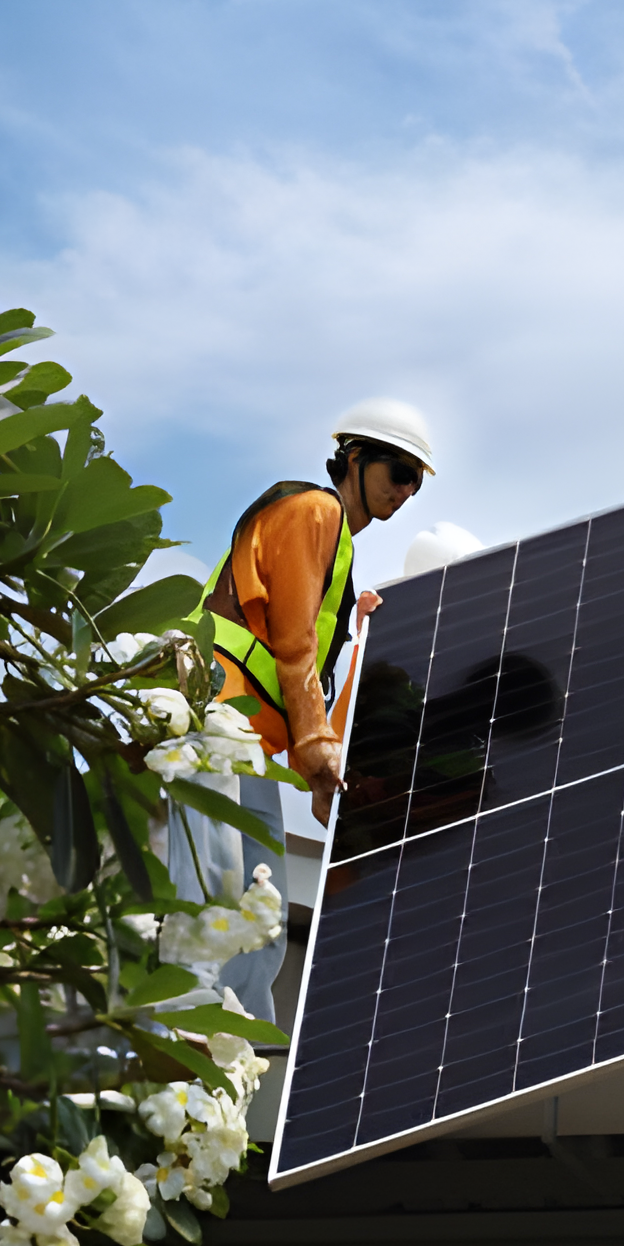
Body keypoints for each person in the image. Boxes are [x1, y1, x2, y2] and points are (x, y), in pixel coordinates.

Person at [172, 397, 434, 1020]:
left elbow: (309, 664)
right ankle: (184, 1019)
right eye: (399, 472)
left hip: (249, 741)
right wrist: (316, 751)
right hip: (213, 712)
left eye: (416, 484)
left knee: (258, 905)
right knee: (214, 879)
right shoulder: (313, 510)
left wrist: (320, 764)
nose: (405, 491)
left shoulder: (338, 550)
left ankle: (234, 1038)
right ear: (355, 458)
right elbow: (293, 643)